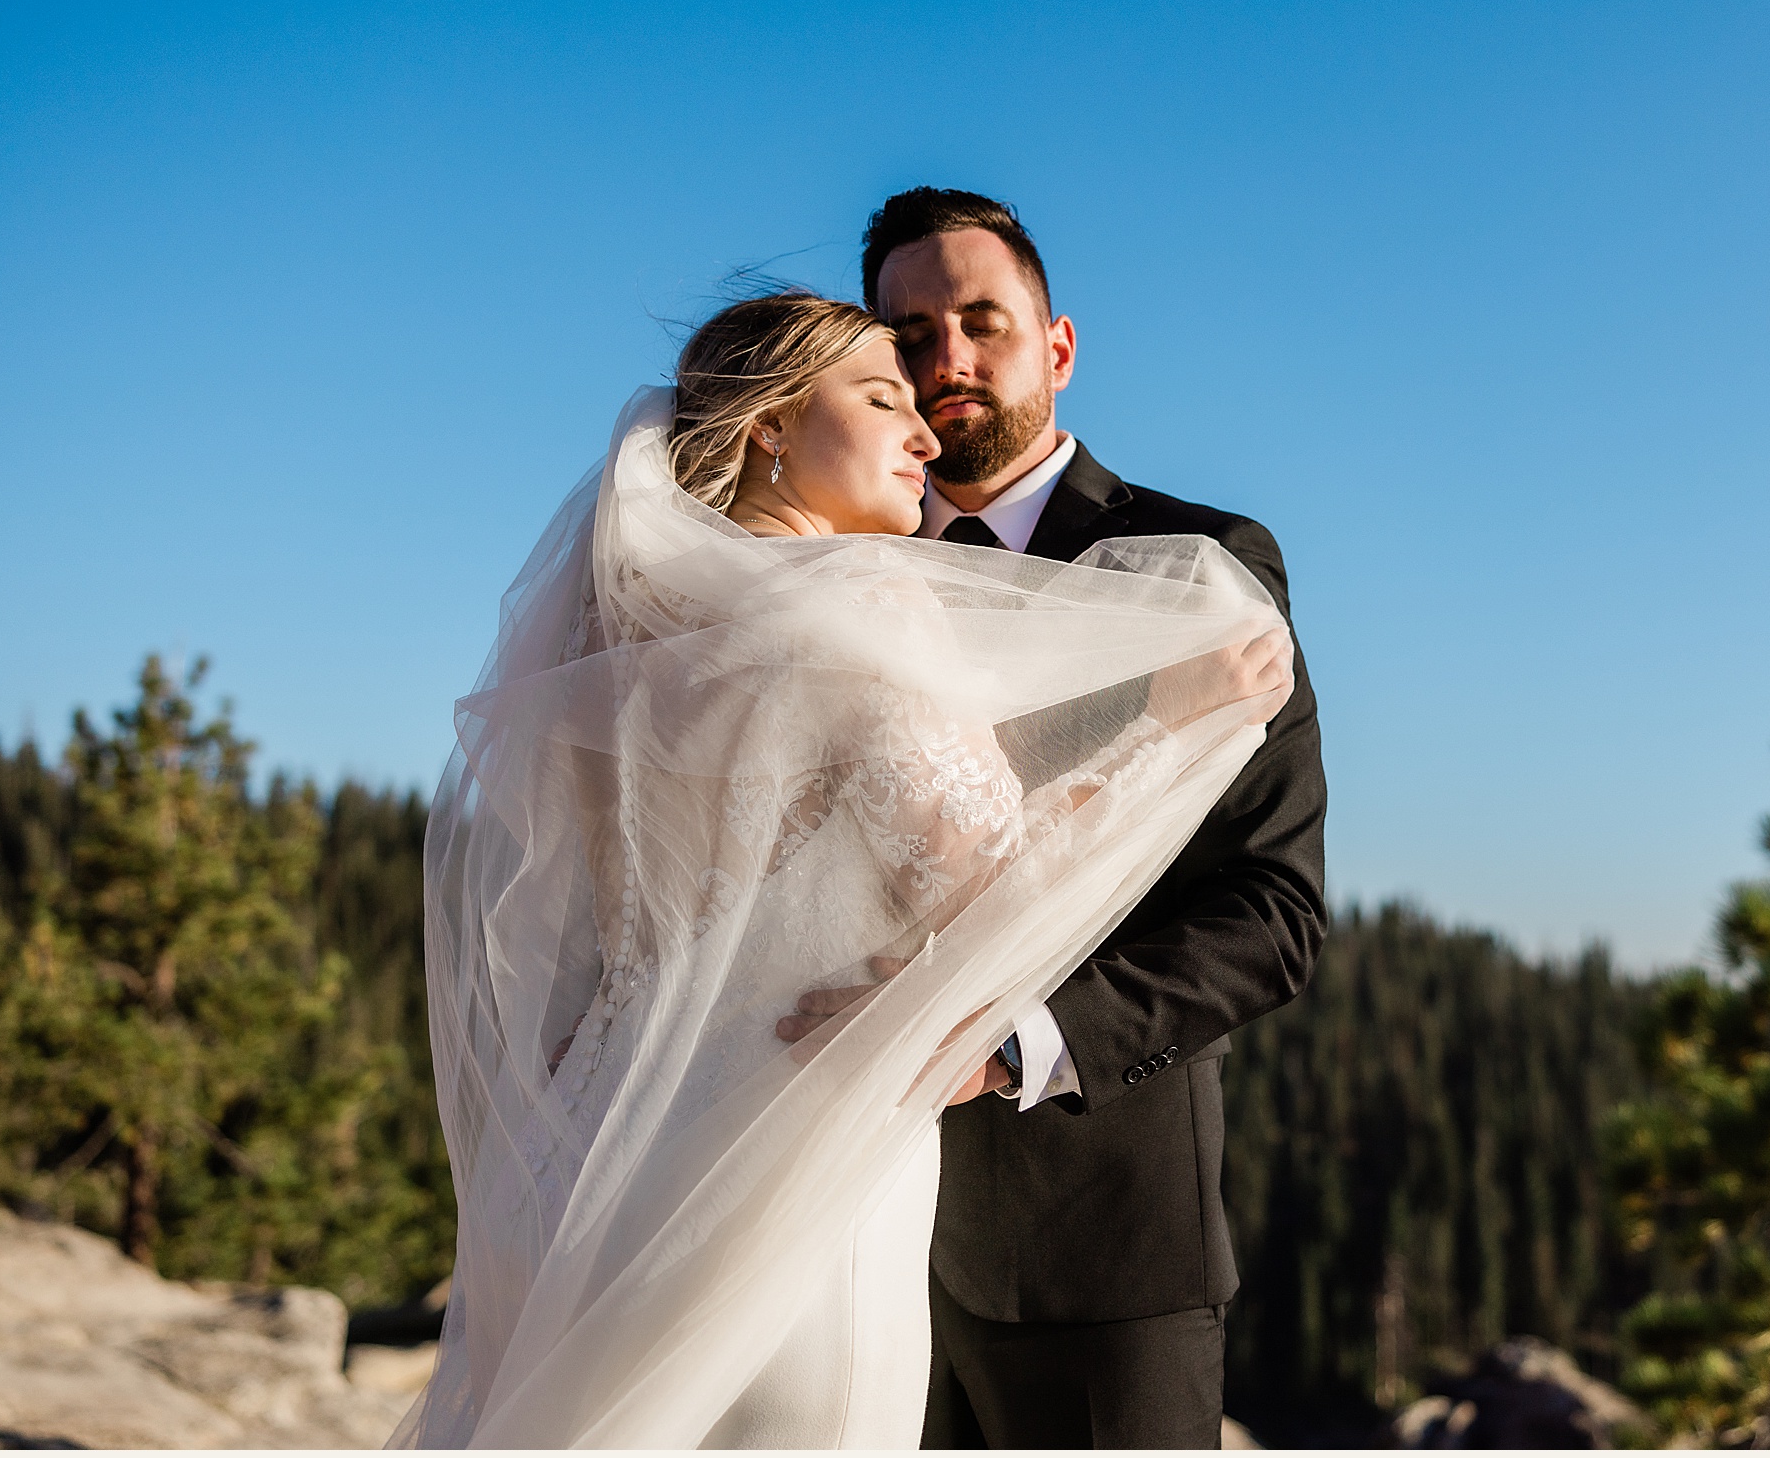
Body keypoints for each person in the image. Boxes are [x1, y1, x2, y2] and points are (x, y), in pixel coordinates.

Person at [395, 291, 1293, 1448]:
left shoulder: (616, 638)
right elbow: (988, 876)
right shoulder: (868, 595)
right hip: (795, 1147)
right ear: (769, 423)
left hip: (600, 1150)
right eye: (883, 398)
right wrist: (1172, 714)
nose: (924, 434)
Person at [779, 190, 1328, 1448]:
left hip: (1097, 1259)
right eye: (908, 336)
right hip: (838, 1236)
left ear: (1058, 345)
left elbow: (1271, 914)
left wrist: (1010, 1042)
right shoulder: (829, 577)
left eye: (983, 320)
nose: (949, 360)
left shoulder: (1199, 561)